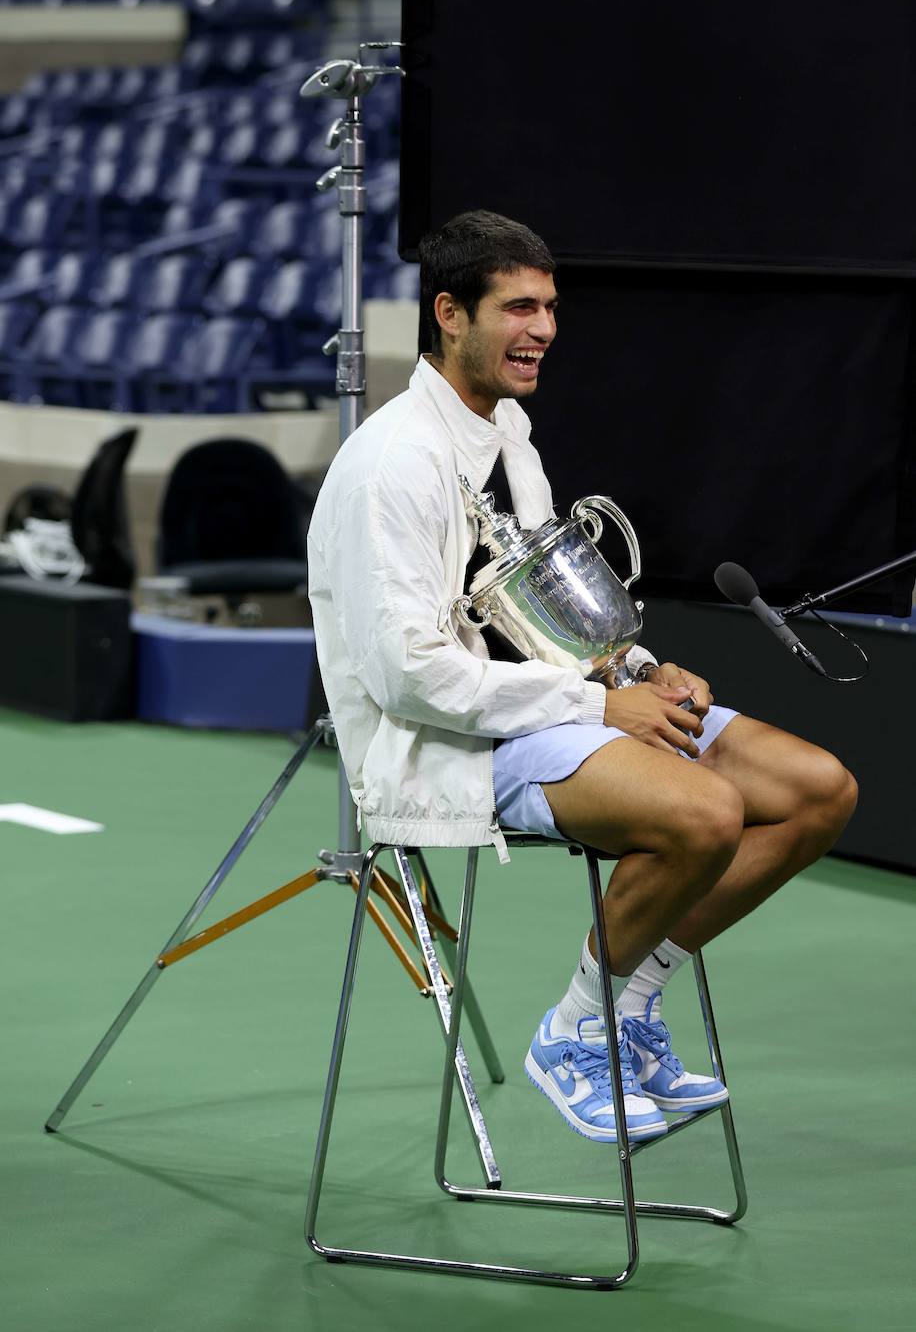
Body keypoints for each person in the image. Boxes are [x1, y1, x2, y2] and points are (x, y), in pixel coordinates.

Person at [307, 209, 857, 1144]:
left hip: (555, 707)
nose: (545, 329)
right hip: (448, 741)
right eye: (519, 308)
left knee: (818, 791)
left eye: (551, 307)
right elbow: (408, 678)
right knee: (707, 814)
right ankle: (574, 1033)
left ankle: (626, 1006)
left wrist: (638, 670)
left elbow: (547, 623)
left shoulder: (508, 435)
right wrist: (601, 702)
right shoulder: (391, 466)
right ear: (449, 313)